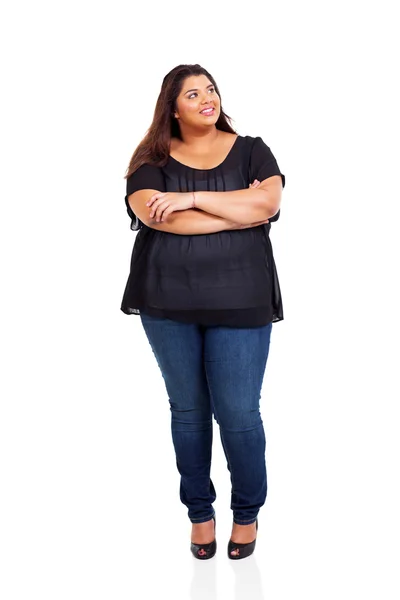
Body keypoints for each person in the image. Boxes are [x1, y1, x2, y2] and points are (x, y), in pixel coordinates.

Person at [121, 64, 285, 560]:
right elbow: (157, 218)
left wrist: (191, 198)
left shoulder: (253, 148)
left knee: (238, 416)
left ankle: (247, 513)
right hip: (167, 300)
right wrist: (238, 209)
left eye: (210, 89)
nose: (207, 98)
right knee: (189, 414)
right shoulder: (150, 160)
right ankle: (199, 513)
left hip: (243, 299)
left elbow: (268, 204)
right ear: (172, 107)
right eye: (193, 94)